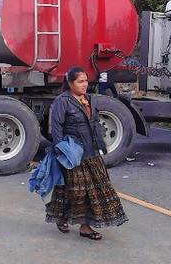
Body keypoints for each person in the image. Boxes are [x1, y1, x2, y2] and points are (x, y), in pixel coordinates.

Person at [45, 66, 128, 240]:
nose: (84, 85)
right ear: (70, 83)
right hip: (73, 153)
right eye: (80, 81)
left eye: (86, 81)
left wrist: (101, 146)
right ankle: (64, 217)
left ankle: (85, 226)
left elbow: (95, 123)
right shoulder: (63, 101)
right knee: (75, 190)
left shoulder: (90, 99)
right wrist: (62, 151)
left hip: (91, 152)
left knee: (96, 189)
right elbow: (57, 128)